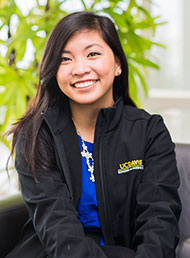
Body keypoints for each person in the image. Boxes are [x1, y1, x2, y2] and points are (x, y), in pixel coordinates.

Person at [6, 11, 181, 258]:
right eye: (65, 59)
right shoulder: (37, 134)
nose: (80, 69)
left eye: (93, 54)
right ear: (54, 71)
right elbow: (59, 234)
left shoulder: (149, 132)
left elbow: (159, 222)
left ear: (118, 64)